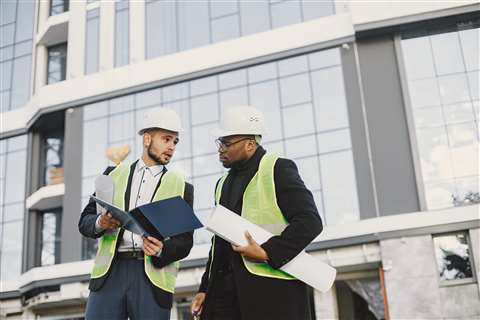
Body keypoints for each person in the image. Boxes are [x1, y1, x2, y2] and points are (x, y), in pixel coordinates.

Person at [191, 106, 323, 320]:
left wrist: (268, 252)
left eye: (227, 143)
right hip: (225, 295)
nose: (220, 149)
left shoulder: (277, 168)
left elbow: (310, 222)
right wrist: (206, 288)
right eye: (219, 143)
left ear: (250, 144)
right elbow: (219, 244)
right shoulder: (222, 183)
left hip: (270, 293)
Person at [79, 108, 194, 319]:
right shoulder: (113, 174)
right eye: (166, 139)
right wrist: (101, 222)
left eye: (175, 142)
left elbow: (184, 242)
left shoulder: (180, 186)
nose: (171, 146)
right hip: (109, 275)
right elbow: (84, 222)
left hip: (151, 277)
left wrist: (162, 249)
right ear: (148, 139)